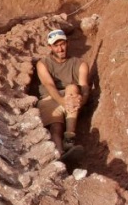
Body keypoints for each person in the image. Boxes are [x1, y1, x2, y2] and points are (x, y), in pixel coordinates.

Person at [36, 29, 89, 158]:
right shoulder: (43, 64)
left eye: (62, 44)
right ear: (50, 47)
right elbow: (49, 85)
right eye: (56, 45)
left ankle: (69, 138)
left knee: (72, 88)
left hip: (72, 99)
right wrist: (62, 102)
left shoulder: (80, 64)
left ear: (67, 43)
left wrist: (82, 101)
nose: (60, 49)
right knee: (56, 127)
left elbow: (85, 87)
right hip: (50, 98)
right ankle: (61, 153)